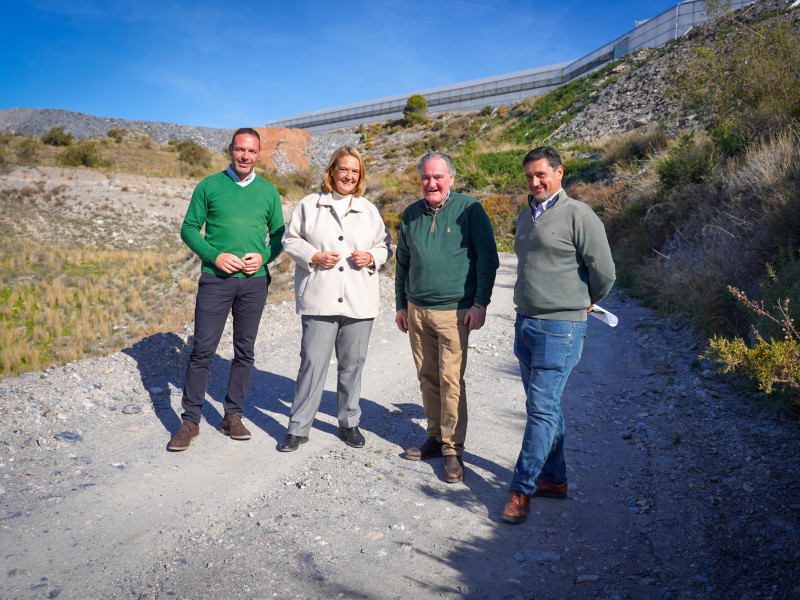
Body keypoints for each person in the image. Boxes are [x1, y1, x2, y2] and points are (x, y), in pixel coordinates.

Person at [501, 145, 615, 523]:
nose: (534, 182)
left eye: (541, 175)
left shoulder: (579, 214)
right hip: (525, 323)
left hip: (561, 328)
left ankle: (522, 489)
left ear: (559, 172)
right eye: (529, 176)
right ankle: (555, 478)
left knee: (541, 408)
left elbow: (605, 272)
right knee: (545, 407)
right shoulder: (524, 216)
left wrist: (584, 300)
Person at [168, 128, 285, 451]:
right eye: (240, 150)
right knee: (202, 350)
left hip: (254, 282)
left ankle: (232, 415)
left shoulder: (268, 191)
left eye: (251, 151)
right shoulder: (209, 185)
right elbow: (189, 228)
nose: (245, 156)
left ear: (258, 154)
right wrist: (213, 255)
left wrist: (262, 256)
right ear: (231, 150)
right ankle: (190, 421)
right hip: (215, 281)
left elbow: (279, 235)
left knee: (244, 351)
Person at [395, 152, 499, 483]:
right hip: (417, 310)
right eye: (425, 177)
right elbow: (402, 264)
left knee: (451, 379)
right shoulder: (411, 214)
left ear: (451, 179)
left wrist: (480, 303)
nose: (431, 183)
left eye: (438, 177)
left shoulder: (470, 209)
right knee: (427, 377)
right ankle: (436, 436)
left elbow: (488, 259)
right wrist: (401, 306)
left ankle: (453, 450)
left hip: (455, 311)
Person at [280, 147, 391, 452]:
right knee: (313, 363)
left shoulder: (369, 209)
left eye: (355, 171)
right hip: (321, 296)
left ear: (360, 176)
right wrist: (312, 256)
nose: (349, 176)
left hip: (359, 298)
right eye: (344, 169)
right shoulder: (309, 205)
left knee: (352, 364)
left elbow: (385, 246)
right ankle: (298, 427)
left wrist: (372, 256)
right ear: (331, 171)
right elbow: (290, 239)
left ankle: (349, 422)